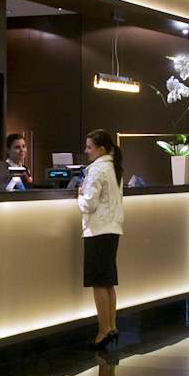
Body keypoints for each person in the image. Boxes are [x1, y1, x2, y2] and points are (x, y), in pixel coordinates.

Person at [79, 128, 124, 350]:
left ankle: (103, 330)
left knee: (98, 282)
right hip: (112, 229)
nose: (86, 151)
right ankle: (112, 326)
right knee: (108, 281)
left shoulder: (97, 169)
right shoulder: (114, 168)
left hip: (97, 230)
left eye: (89, 147)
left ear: (102, 149)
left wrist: (79, 197)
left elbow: (89, 204)